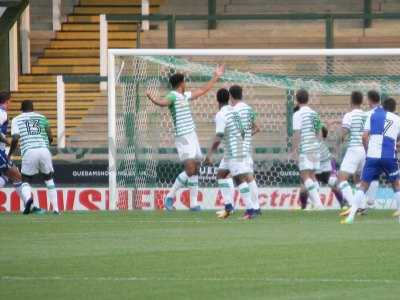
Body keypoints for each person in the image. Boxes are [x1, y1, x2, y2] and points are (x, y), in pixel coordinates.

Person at [146, 65, 224, 211]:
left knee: (195, 170)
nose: (185, 83)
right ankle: (169, 196)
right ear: (181, 83)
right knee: (190, 169)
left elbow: (202, 90)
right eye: (184, 81)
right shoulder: (172, 96)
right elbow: (163, 103)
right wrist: (153, 99)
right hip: (183, 137)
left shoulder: (185, 96)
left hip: (192, 135)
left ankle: (193, 204)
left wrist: (216, 76)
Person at [341, 97, 400, 224]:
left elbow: (364, 136)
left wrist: (368, 150)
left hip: (372, 156)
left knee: (363, 185)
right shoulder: (397, 119)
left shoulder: (372, 115)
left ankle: (351, 216)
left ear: (383, 106)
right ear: (394, 108)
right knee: (396, 184)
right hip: (389, 156)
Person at [205, 85, 260, 219]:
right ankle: (228, 207)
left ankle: (250, 210)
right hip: (234, 151)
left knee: (239, 179)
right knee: (221, 175)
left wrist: (209, 155)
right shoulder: (233, 111)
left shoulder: (221, 114)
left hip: (235, 152)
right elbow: (243, 130)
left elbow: (218, 136)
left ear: (217, 100)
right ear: (228, 98)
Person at [9, 100, 59, 215]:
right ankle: (56, 209)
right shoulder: (42, 117)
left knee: (25, 180)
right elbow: (50, 135)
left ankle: (28, 200)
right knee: (48, 178)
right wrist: (48, 142)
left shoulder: (17, 119)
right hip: (44, 150)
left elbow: (16, 137)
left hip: (29, 151)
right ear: (33, 108)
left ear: (21, 109)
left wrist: (10, 152)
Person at [0, 92, 42, 214]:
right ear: (7, 101)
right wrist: (7, 140)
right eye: (10, 101)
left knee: (9, 176)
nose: (11, 104)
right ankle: (31, 207)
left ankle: (31, 206)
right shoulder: (2, 113)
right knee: (17, 176)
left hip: (2, 151)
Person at [338, 91, 378, 215]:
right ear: (361, 101)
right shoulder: (367, 115)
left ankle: (353, 205)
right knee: (358, 180)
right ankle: (362, 205)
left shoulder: (349, 115)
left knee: (341, 179)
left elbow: (344, 132)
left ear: (351, 100)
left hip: (354, 149)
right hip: (366, 150)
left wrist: (339, 140)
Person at [292, 89, 324, 209]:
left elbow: (297, 134)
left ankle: (318, 203)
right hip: (315, 147)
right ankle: (314, 202)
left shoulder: (297, 114)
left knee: (305, 176)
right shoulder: (314, 114)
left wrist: (294, 150)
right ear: (308, 99)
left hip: (305, 148)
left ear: (297, 100)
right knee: (312, 176)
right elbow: (319, 133)